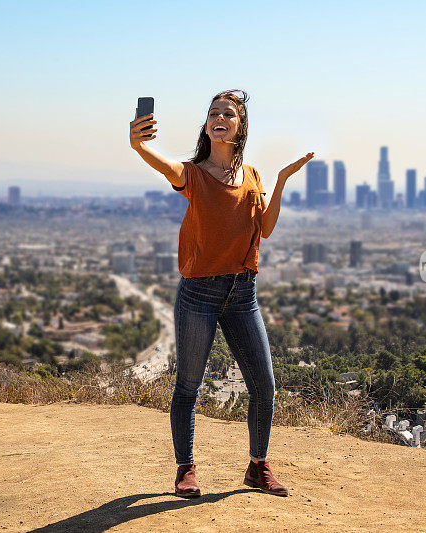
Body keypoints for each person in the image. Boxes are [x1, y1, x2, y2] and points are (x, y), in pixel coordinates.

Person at [129, 89, 313, 498]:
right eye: (213, 113)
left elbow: (263, 229)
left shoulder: (251, 176)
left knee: (264, 385)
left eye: (228, 113)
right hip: (199, 293)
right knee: (188, 386)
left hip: (242, 294)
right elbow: (161, 164)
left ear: (239, 126)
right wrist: (138, 143)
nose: (220, 117)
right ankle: (186, 469)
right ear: (207, 125)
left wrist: (280, 180)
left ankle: (258, 466)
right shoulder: (192, 174)